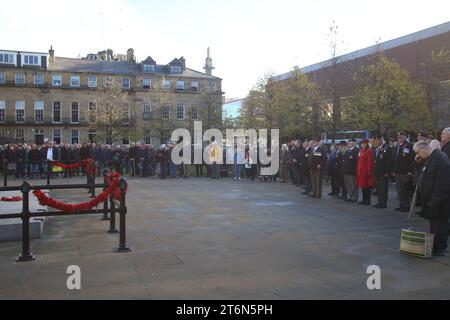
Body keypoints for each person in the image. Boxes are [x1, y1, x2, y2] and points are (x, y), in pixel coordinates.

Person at [414, 141, 450, 256]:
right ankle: (435, 246)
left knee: (440, 226)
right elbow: (425, 174)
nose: (418, 155)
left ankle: (440, 248)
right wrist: (418, 163)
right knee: (434, 225)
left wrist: (434, 201)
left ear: (423, 149)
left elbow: (443, 184)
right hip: (431, 200)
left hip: (439, 201)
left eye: (418, 152)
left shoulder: (440, 159)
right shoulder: (430, 158)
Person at [392, 132, 415, 212]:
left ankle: (406, 206)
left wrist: (410, 171)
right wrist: (394, 170)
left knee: (405, 190)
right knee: (399, 190)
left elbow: (412, 160)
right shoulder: (397, 146)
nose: (399, 139)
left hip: (405, 171)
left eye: (400, 137)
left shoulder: (409, 146)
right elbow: (394, 159)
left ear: (404, 137)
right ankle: (401, 205)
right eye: (398, 137)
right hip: (397, 171)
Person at [372, 137, 392, 209]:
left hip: (383, 172)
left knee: (384, 189)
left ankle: (383, 203)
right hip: (377, 172)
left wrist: (387, 172)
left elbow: (389, 161)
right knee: (379, 188)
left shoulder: (386, 148)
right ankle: (379, 202)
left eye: (377, 140)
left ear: (381, 140)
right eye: (375, 141)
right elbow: (374, 161)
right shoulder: (376, 149)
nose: (376, 142)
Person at [356, 139, 374, 205]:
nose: (361, 144)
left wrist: (369, 172)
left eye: (363, 143)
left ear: (366, 144)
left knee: (367, 187)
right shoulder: (361, 151)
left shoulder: (368, 151)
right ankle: (364, 199)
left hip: (365, 172)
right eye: (361, 143)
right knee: (363, 186)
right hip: (360, 171)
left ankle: (367, 200)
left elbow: (370, 162)